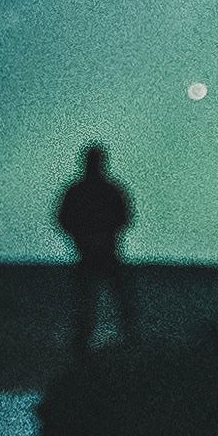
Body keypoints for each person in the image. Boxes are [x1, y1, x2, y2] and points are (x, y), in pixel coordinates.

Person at [55, 141, 138, 357]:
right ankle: (84, 351)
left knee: (116, 303)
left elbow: (124, 217)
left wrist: (94, 236)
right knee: (89, 306)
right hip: (94, 253)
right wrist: (87, 237)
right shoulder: (90, 191)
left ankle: (126, 343)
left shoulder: (92, 191)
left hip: (102, 253)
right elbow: (64, 219)